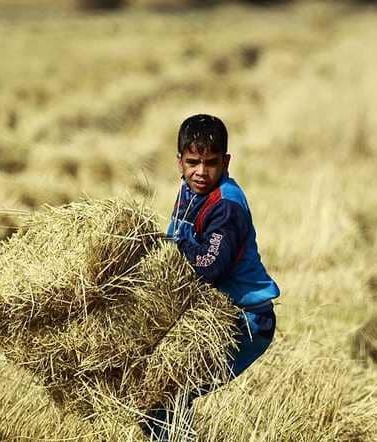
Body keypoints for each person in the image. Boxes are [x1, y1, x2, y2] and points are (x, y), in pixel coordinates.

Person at [140, 114, 280, 441]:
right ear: (179, 162)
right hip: (209, 312)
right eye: (193, 162)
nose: (201, 172)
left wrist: (173, 245)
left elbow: (206, 267)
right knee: (158, 395)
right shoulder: (189, 190)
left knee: (162, 394)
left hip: (244, 321)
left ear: (226, 161)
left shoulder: (226, 206)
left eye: (210, 163)